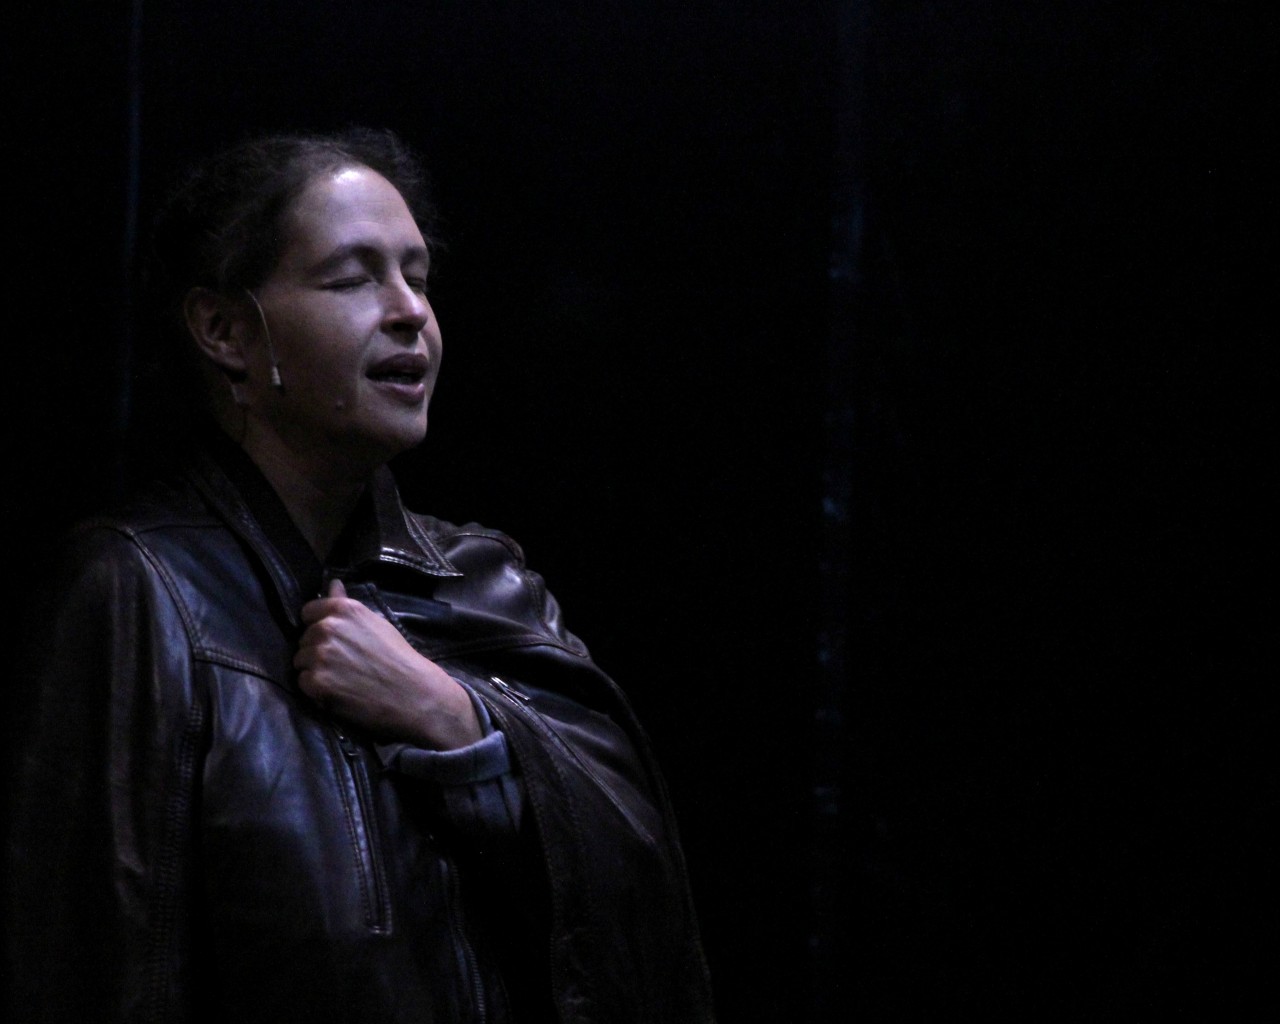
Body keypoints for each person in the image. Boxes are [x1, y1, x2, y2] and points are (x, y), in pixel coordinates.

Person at [5, 128, 714, 1023]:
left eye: (418, 277)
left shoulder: (484, 581)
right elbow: (89, 957)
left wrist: (455, 719)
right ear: (224, 330)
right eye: (352, 279)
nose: (410, 311)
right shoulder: (138, 588)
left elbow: (644, 902)